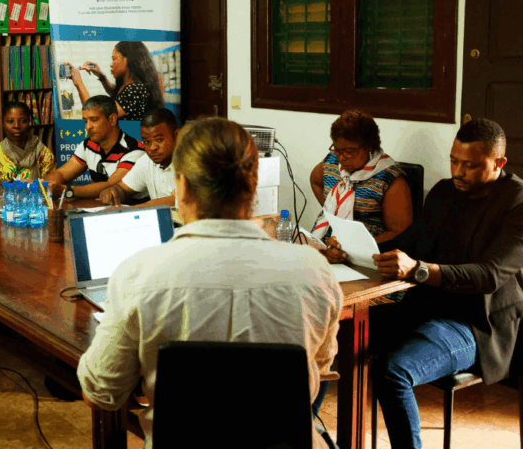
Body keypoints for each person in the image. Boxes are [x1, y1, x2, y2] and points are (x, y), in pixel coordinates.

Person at [77, 118, 343, 449]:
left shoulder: (138, 274)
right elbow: (318, 369)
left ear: (182, 186)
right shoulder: (314, 272)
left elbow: (100, 393)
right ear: (254, 185)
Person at [347, 118, 521, 449]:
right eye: (454, 161)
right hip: (424, 307)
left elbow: (489, 275)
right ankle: (309, 432)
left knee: (392, 372)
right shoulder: (444, 192)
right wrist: (353, 251)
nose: (458, 172)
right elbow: (411, 243)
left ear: (499, 163)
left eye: (470, 165)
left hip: (476, 325)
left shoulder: (517, 203)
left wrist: (419, 270)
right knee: (337, 334)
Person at [310, 110, 413, 244]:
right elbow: (315, 181)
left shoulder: (388, 177)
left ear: (369, 146)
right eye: (337, 150)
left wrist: (355, 247)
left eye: (349, 151)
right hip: (324, 242)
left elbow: (399, 232)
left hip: (366, 249)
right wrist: (333, 209)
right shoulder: (331, 163)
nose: (341, 157)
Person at [45, 95, 145, 200]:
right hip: (102, 206)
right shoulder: (88, 145)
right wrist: (46, 185)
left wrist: (67, 191)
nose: (88, 127)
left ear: (112, 119)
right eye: (85, 121)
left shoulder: (134, 150)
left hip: (133, 207)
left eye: (94, 120)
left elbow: (110, 186)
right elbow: (62, 174)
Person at [65, 41, 165, 121]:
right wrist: (101, 77)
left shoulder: (136, 90)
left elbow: (95, 114)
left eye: (114, 59)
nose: (111, 64)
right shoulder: (131, 86)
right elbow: (117, 94)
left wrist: (79, 83)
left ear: (126, 60)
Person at [99, 109, 178, 207]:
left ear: (176, 136)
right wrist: (113, 191)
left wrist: (134, 209)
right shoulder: (146, 161)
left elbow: (177, 200)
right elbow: (123, 188)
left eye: (159, 140)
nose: (152, 147)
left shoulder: (190, 160)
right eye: (147, 142)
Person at [0, 101, 56, 192]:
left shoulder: (42, 152)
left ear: (29, 122)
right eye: (10, 121)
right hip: (2, 201)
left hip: (37, 200)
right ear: (3, 123)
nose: (16, 126)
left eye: (22, 121)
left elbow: (51, 186)